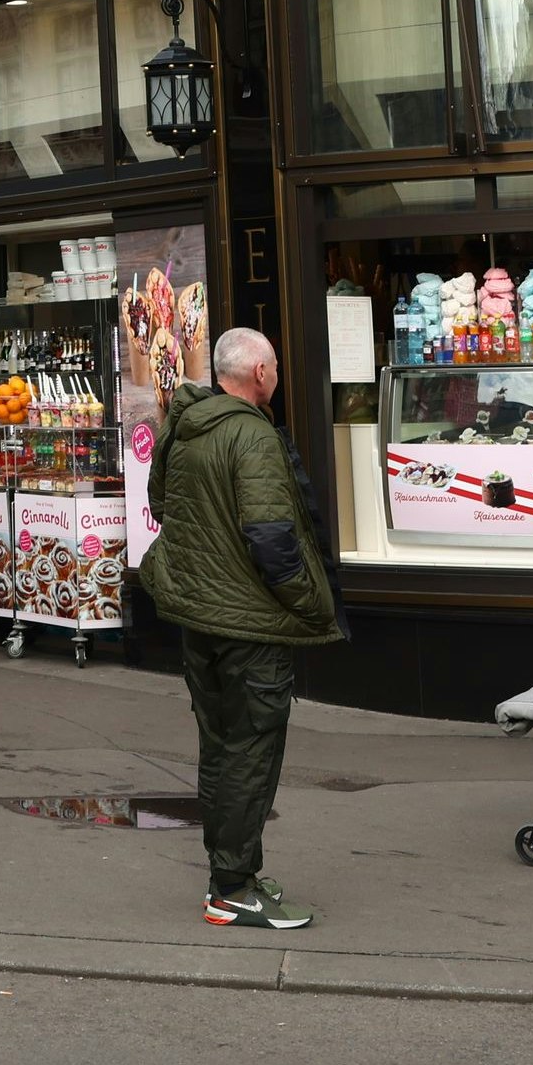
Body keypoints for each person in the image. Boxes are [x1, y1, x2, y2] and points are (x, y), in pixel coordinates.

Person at [138, 327, 344, 931]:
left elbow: (163, 503)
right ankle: (231, 887)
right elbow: (274, 539)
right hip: (249, 621)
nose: (277, 376)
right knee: (251, 750)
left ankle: (235, 873)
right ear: (258, 372)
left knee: (222, 745)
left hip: (199, 613)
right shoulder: (250, 434)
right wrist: (314, 603)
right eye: (274, 366)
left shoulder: (185, 425)